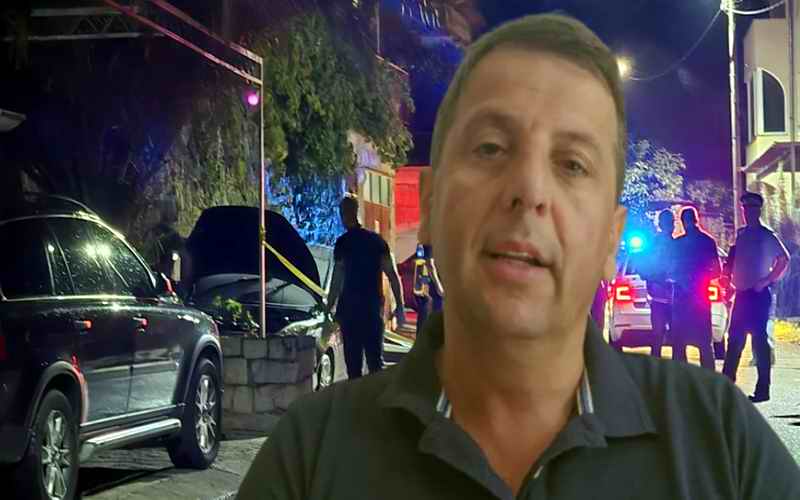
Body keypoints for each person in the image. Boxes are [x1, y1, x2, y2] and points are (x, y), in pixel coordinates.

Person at [238, 14, 800, 499]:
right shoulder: (312, 457)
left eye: (572, 164)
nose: (528, 190)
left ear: (610, 238)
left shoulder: (722, 446)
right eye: (490, 148)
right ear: (430, 205)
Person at [325, 195, 405, 380]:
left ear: (344, 215)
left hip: (350, 313)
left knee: (353, 369)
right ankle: (377, 398)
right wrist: (400, 306)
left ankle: (358, 398)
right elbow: (393, 276)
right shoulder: (377, 242)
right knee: (375, 364)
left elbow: (337, 280)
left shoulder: (343, 243)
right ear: (357, 212)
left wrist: (328, 307)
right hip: (371, 311)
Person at [722, 191, 790, 403]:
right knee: (734, 340)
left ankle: (763, 390)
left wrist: (767, 280)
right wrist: (727, 278)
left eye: (751, 208)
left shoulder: (766, 235)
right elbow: (733, 258)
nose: (747, 212)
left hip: (758, 295)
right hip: (741, 294)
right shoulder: (741, 234)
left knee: (759, 342)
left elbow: (784, 259)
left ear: (758, 210)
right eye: (744, 208)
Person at [669, 207, 721, 370]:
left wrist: (681, 279)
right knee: (704, 342)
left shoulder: (678, 244)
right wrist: (701, 279)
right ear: (696, 220)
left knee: (679, 342)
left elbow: (670, 270)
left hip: (682, 298)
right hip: (700, 296)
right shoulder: (708, 241)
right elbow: (717, 270)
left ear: (683, 222)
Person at [639, 209, 677, 358]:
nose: (671, 226)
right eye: (669, 222)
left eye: (671, 222)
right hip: (660, 296)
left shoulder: (676, 244)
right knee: (659, 337)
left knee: (673, 338)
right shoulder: (653, 245)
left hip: (672, 297)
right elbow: (642, 268)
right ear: (661, 224)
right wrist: (657, 279)